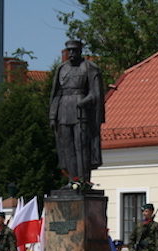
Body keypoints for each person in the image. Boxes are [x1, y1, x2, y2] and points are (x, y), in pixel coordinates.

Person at [49, 39, 105, 185]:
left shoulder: (89, 67)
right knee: (67, 148)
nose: (72, 54)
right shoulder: (61, 69)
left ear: (80, 51)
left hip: (81, 112)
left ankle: (83, 179)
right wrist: (52, 116)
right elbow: (56, 95)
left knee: (81, 147)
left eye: (75, 50)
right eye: (69, 51)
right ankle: (72, 180)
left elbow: (96, 93)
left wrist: (84, 101)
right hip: (63, 111)